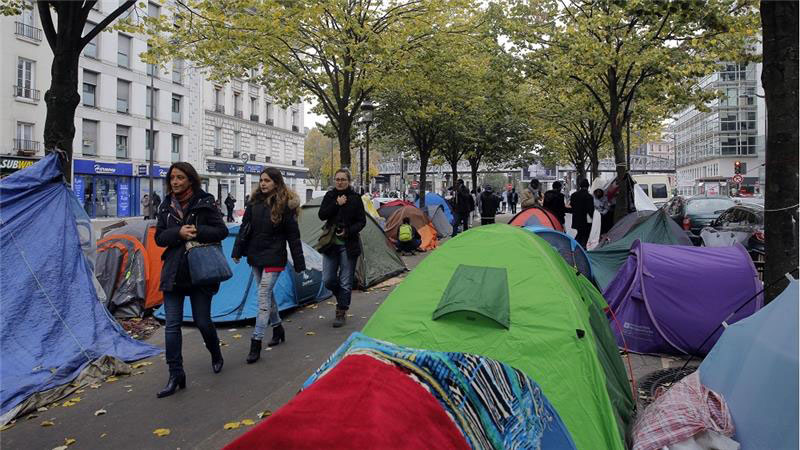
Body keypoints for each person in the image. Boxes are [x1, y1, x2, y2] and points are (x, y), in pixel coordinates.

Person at [154, 162, 229, 398]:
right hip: (174, 272)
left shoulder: (205, 201)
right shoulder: (166, 205)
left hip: (200, 271)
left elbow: (222, 231)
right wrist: (178, 233)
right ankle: (176, 373)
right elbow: (159, 238)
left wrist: (196, 230)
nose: (175, 182)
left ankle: (215, 352)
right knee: (172, 326)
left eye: (180, 178)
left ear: (190, 180)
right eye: (172, 178)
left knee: (202, 321)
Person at [232, 168, 305, 363]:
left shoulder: (285, 206)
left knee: (263, 295)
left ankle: (256, 341)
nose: (263, 184)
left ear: (276, 183)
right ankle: (278, 328)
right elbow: (244, 229)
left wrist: (299, 262)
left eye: (267, 181)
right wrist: (237, 251)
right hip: (255, 256)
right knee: (267, 295)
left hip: (274, 257)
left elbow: (293, 236)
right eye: (261, 180)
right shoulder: (254, 203)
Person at [319, 168, 366, 328]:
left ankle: (341, 311)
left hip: (349, 244)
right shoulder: (330, 196)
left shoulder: (355, 198)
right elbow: (322, 215)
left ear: (348, 181)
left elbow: (362, 222)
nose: (340, 182)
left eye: (343, 179)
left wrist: (348, 230)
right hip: (330, 244)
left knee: (346, 281)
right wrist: (336, 204)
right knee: (328, 279)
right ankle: (342, 297)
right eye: (337, 179)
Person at [570, 179, 595, 248]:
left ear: (580, 186)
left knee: (580, 233)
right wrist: (594, 218)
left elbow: (572, 205)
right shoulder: (589, 196)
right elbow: (590, 210)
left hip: (576, 219)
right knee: (584, 235)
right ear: (588, 186)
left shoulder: (573, 195)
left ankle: (575, 246)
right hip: (585, 221)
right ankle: (580, 248)